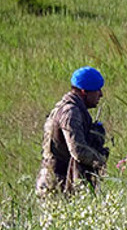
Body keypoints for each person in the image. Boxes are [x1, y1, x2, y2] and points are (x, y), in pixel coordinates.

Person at [36, 66, 109, 196]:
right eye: (97, 90)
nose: (101, 94)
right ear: (84, 92)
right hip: (57, 184)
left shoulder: (73, 109)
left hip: (62, 180)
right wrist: (100, 160)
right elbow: (78, 150)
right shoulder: (70, 113)